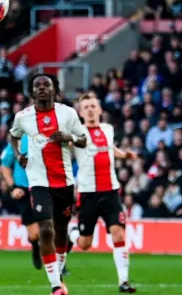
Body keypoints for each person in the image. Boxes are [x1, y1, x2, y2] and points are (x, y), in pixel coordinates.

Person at [9, 74, 87, 295]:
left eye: (46, 85)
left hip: (64, 182)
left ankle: (58, 276)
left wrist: (69, 137)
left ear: (55, 90)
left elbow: (84, 140)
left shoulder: (68, 113)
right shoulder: (23, 117)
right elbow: (12, 136)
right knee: (45, 229)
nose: (42, 88)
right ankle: (55, 286)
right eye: (37, 86)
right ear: (32, 92)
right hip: (38, 182)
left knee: (61, 231)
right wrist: (18, 154)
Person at [68, 93, 137, 293]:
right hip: (88, 194)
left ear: (99, 110)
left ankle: (123, 281)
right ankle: (71, 235)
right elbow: (66, 149)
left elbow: (110, 147)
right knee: (85, 243)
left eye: (93, 106)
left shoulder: (108, 129)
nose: (90, 109)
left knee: (118, 233)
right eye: (86, 107)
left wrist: (124, 155)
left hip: (111, 192)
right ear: (80, 112)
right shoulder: (77, 133)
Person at [0, 134, 42, 270]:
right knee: (35, 233)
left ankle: (59, 263)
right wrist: (13, 187)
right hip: (23, 190)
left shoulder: (46, 135)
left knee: (50, 228)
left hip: (43, 187)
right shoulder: (18, 140)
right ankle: (35, 247)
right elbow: (5, 165)